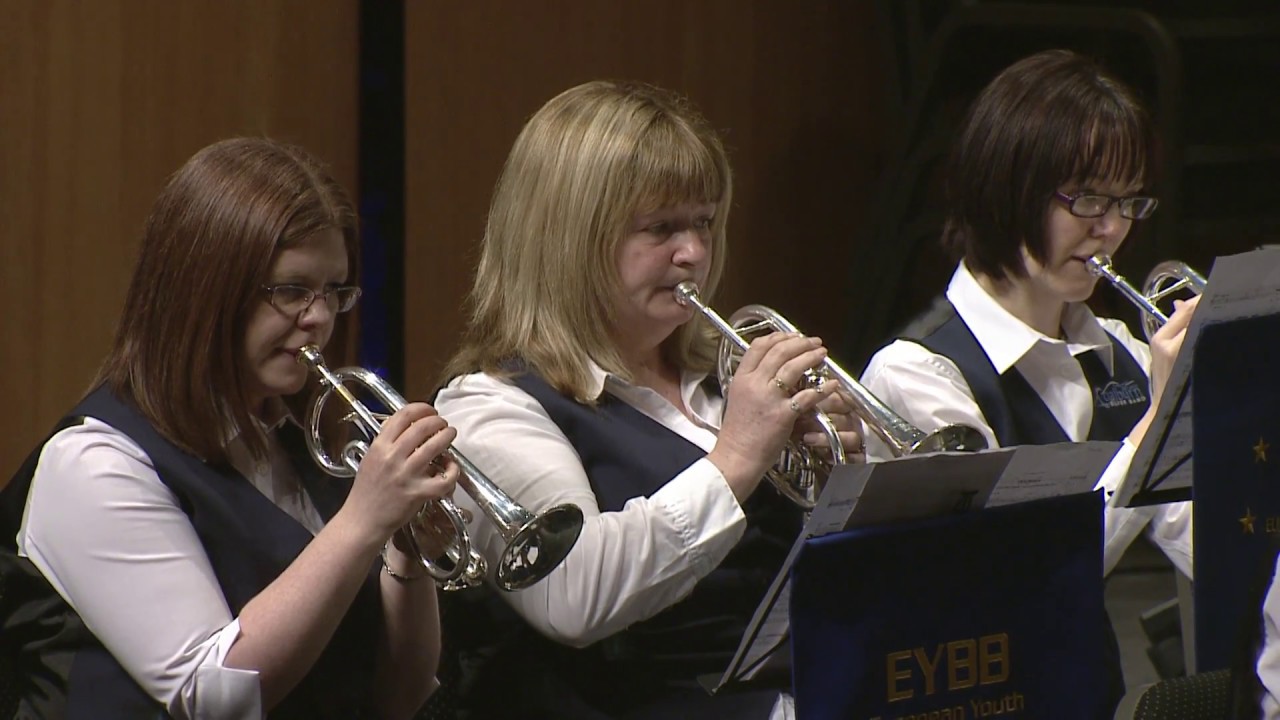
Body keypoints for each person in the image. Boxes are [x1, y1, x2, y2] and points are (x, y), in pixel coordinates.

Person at [431, 80, 864, 719]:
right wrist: (739, 457)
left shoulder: (725, 381)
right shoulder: (490, 407)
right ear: (568, 238)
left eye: (704, 223)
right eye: (660, 228)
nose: (692, 253)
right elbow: (570, 596)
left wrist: (841, 481)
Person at [0, 137, 456, 719]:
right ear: (205, 289)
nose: (318, 317)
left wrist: (405, 549)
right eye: (291, 290)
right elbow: (213, 696)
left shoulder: (302, 448)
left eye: (335, 291)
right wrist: (364, 519)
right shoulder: (95, 462)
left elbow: (399, 698)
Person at [858, 49, 1196, 713]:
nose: (1111, 228)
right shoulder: (917, 375)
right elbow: (1015, 579)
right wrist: (1160, 421)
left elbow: (1207, 544)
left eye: (1129, 201)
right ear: (1007, 186)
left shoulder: (1121, 354)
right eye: (1089, 198)